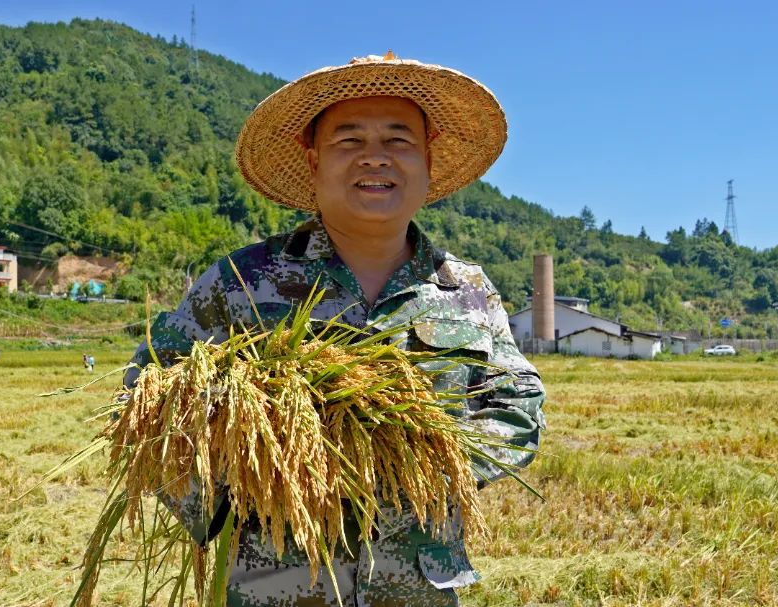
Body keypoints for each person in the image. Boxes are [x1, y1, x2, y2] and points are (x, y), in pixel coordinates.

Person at [125, 52, 546, 607]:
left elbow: (516, 402)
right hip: (276, 588)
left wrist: (425, 466)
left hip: (418, 588)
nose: (376, 158)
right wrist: (251, 477)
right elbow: (145, 398)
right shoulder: (241, 282)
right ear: (313, 159)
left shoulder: (465, 289)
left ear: (426, 160)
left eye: (399, 141)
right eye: (349, 141)